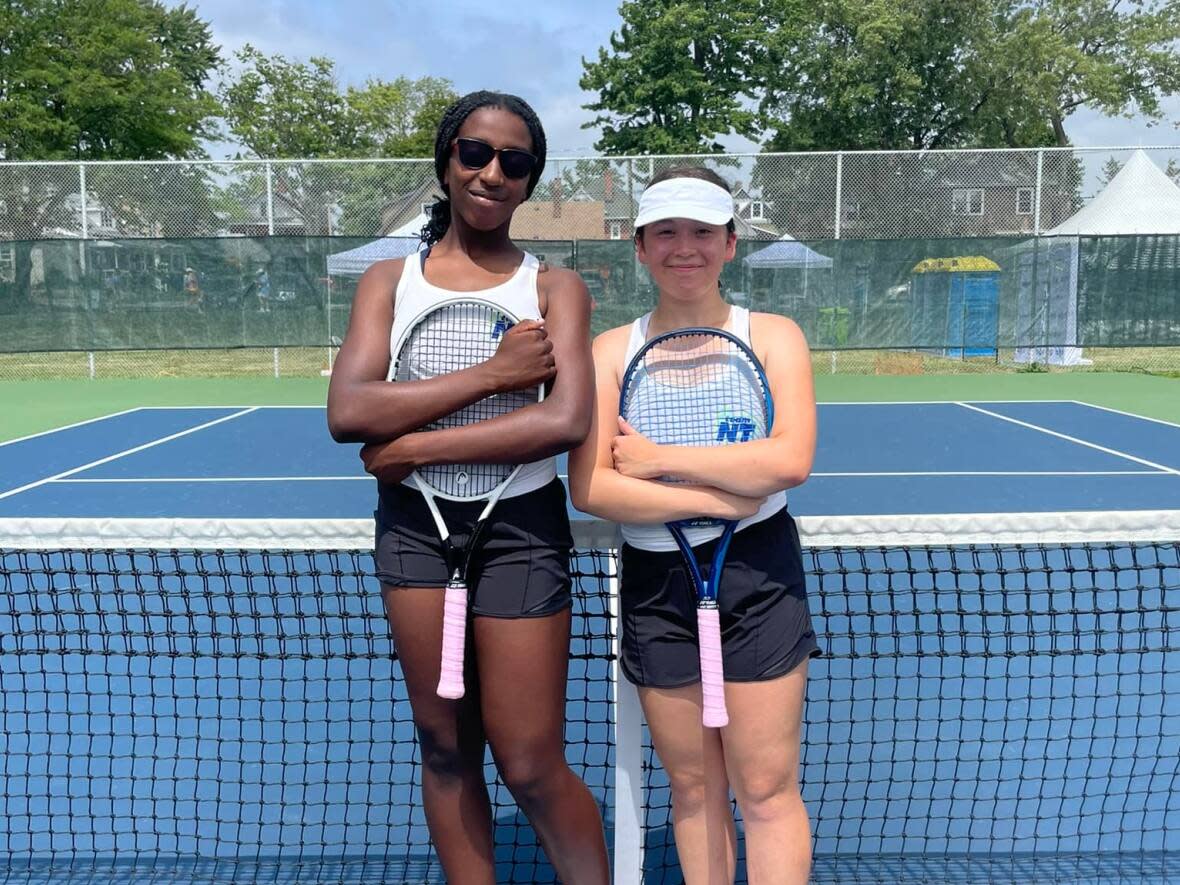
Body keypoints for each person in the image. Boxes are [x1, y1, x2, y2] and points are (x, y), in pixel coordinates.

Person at [326, 91, 608, 885]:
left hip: (521, 529)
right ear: (446, 163)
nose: (492, 173)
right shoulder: (388, 280)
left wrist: (412, 440)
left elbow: (564, 421)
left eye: (514, 162)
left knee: (529, 761)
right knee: (446, 747)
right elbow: (350, 410)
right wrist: (494, 374)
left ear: (530, 182)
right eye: (475, 154)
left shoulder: (557, 289)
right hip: (415, 530)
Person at [568, 167, 821, 884]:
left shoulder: (773, 337)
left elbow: (790, 459)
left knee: (766, 789)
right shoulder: (610, 352)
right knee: (695, 788)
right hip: (657, 584)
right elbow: (590, 486)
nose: (687, 248)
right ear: (641, 248)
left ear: (731, 244)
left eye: (704, 232)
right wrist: (727, 492)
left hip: (759, 575)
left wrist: (655, 461)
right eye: (667, 233)